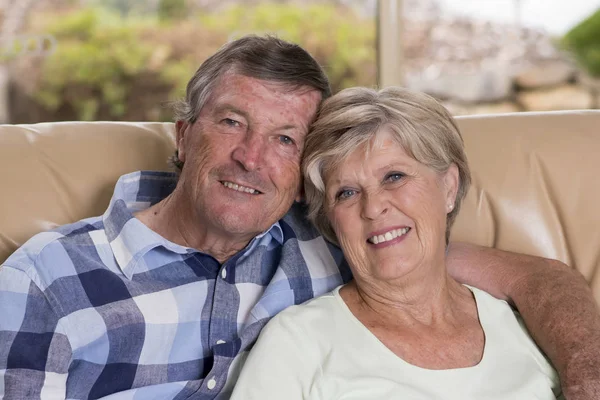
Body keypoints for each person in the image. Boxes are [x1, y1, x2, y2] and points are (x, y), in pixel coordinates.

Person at [0, 36, 598, 400]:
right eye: (232, 122)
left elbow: (532, 279)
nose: (252, 158)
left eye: (285, 138)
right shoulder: (45, 280)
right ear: (184, 136)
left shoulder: (338, 242)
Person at [231, 86, 570, 399]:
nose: (374, 206)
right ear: (330, 219)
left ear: (448, 188)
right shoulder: (297, 343)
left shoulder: (524, 330)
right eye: (346, 193)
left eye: (394, 177)